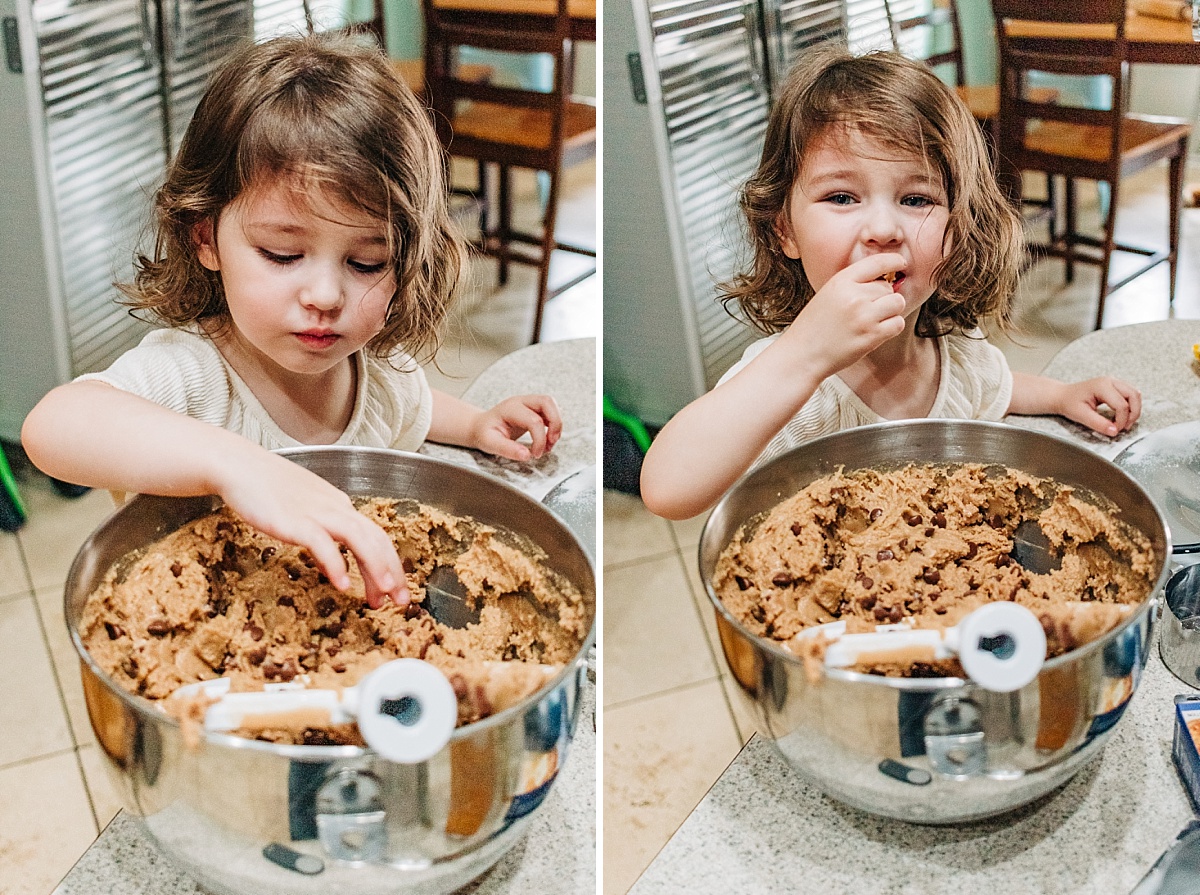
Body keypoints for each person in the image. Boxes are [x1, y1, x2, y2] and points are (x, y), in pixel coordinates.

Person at [21, 33, 562, 608]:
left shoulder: (373, 374)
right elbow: (53, 426)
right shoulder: (192, 380)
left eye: (367, 262)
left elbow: (412, 402)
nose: (326, 295)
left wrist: (476, 425)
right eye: (282, 254)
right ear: (205, 237)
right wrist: (236, 466)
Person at [640, 49, 1141, 521]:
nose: (883, 228)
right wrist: (805, 354)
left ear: (959, 225)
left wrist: (1060, 395)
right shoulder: (783, 381)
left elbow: (996, 384)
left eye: (916, 199)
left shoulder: (955, 353)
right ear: (785, 230)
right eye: (841, 197)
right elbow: (667, 490)